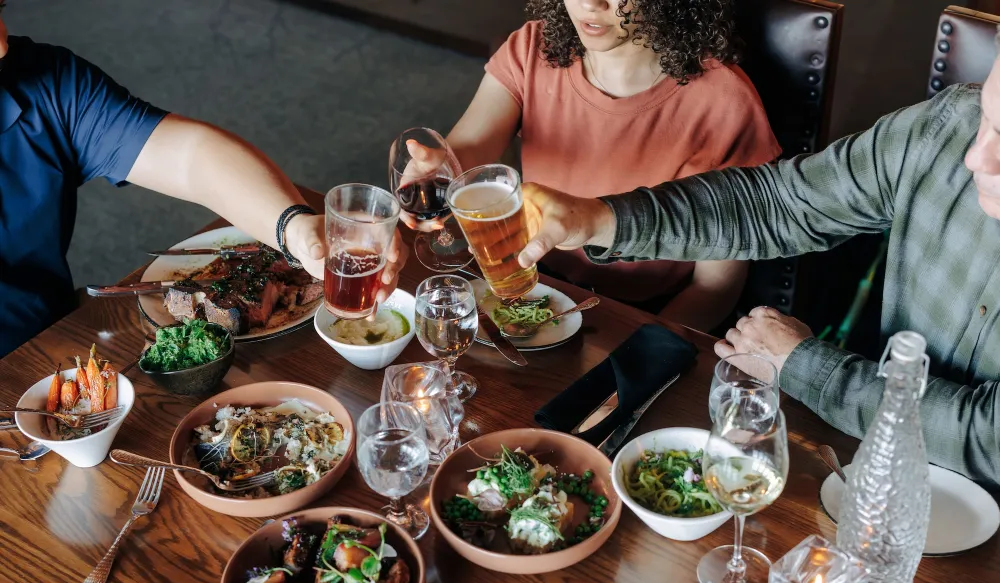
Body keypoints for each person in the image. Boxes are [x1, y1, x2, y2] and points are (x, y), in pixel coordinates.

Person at [513, 47, 1000, 489]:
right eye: (988, 119)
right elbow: (783, 203)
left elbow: (987, 439)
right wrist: (603, 219)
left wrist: (806, 366)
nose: (977, 157)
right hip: (870, 469)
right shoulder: (949, 127)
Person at [0, 14, 406, 358]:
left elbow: (194, 157)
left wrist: (297, 230)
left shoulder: (45, 81)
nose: (1, 42)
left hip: (44, 338)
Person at [403, 0, 780, 331]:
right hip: (531, 292)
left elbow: (714, 290)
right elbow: (467, 151)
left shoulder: (725, 105)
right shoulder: (533, 47)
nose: (589, 3)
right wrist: (436, 170)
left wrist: (641, 348)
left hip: (644, 315)